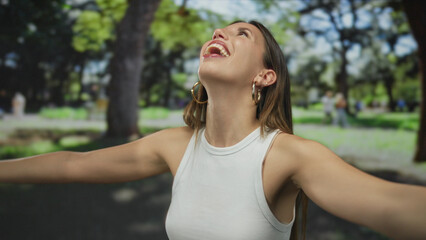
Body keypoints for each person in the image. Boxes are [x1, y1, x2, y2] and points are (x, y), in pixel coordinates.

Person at [1, 21, 425, 240]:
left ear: (264, 77)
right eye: (221, 30)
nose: (220, 33)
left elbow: (393, 206)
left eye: (243, 34)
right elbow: (73, 166)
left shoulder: (287, 156)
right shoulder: (174, 145)